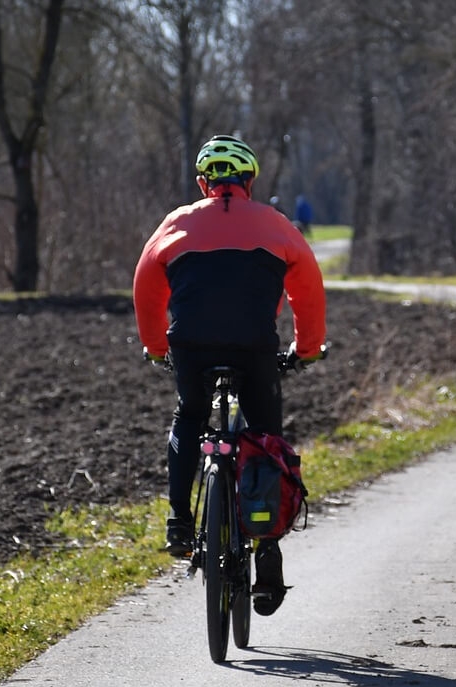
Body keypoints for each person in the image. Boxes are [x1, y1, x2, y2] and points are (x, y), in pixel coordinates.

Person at [133, 134, 326, 616]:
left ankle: (179, 520)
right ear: (250, 182)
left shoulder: (175, 223)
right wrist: (304, 350)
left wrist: (159, 349)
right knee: (265, 436)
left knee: (189, 417)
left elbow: (146, 288)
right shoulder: (277, 224)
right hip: (254, 348)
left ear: (203, 183)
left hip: (192, 347)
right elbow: (308, 291)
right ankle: (268, 552)